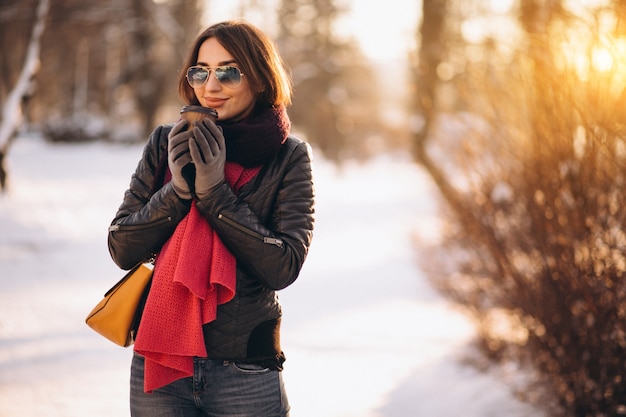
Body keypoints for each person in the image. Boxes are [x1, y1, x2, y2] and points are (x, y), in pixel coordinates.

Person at [107, 20, 315, 417]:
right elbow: (121, 246)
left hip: (246, 372)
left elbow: (283, 266)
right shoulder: (165, 143)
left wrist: (215, 195)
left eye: (229, 72)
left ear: (259, 78)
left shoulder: (288, 157)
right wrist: (178, 193)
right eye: (200, 71)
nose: (211, 86)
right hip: (161, 367)